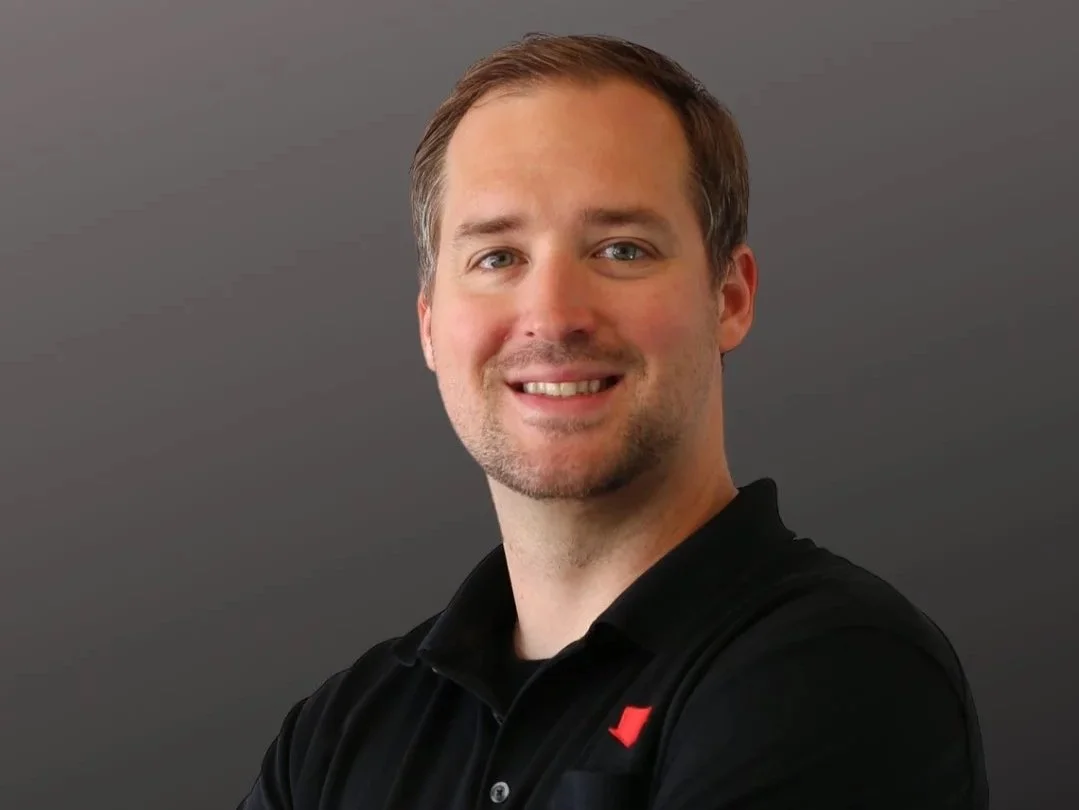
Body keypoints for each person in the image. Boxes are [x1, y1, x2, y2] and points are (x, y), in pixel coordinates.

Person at [236, 33, 989, 809]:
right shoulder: (338, 737)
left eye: (621, 249)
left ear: (728, 298)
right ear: (430, 324)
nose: (553, 315)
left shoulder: (839, 674)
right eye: (496, 257)